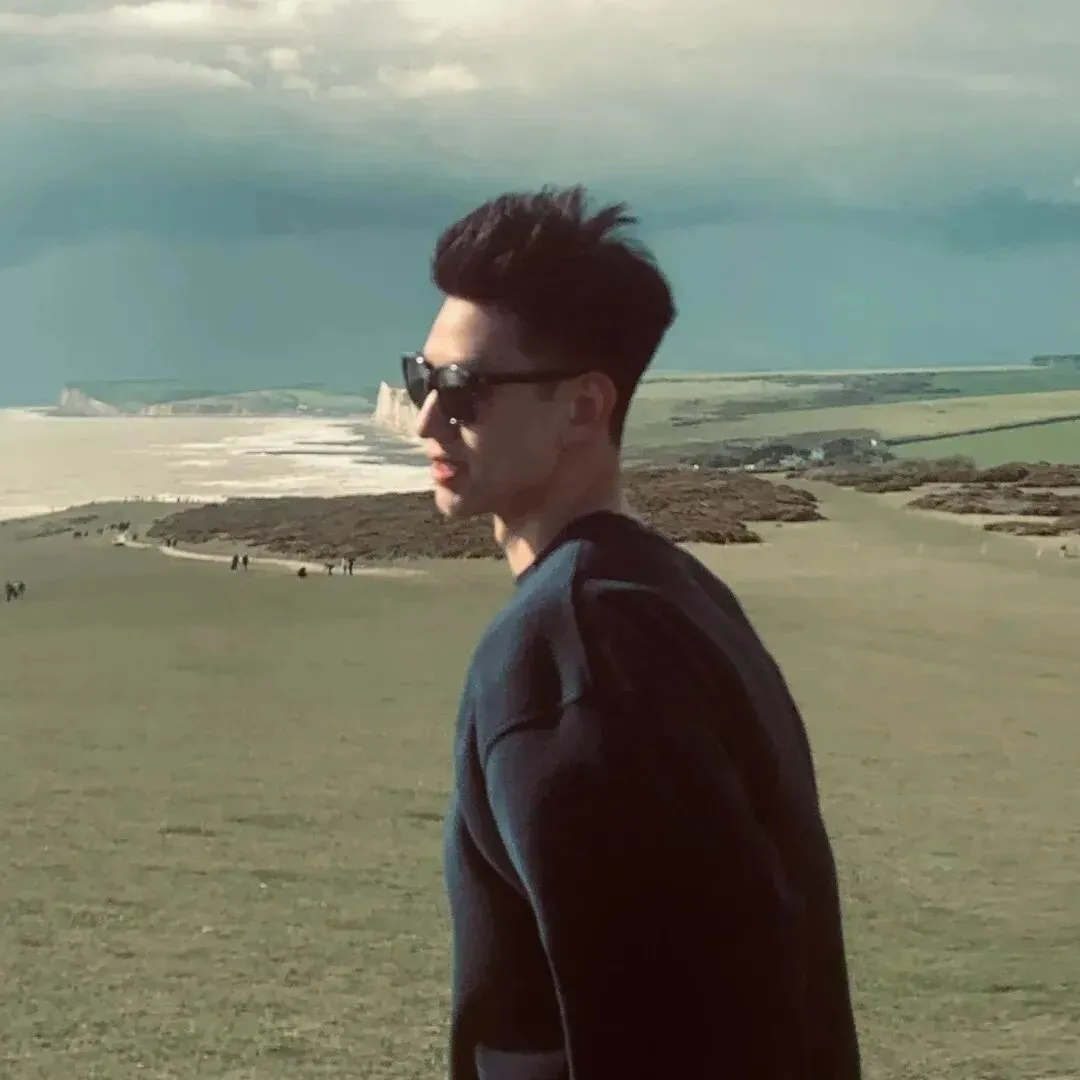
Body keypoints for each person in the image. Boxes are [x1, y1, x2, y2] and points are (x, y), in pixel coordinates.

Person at [407, 186, 862, 1080]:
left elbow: (673, 1036)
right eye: (422, 379)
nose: (427, 418)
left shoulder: (575, 656)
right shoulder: (668, 592)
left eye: (464, 390)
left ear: (584, 407)